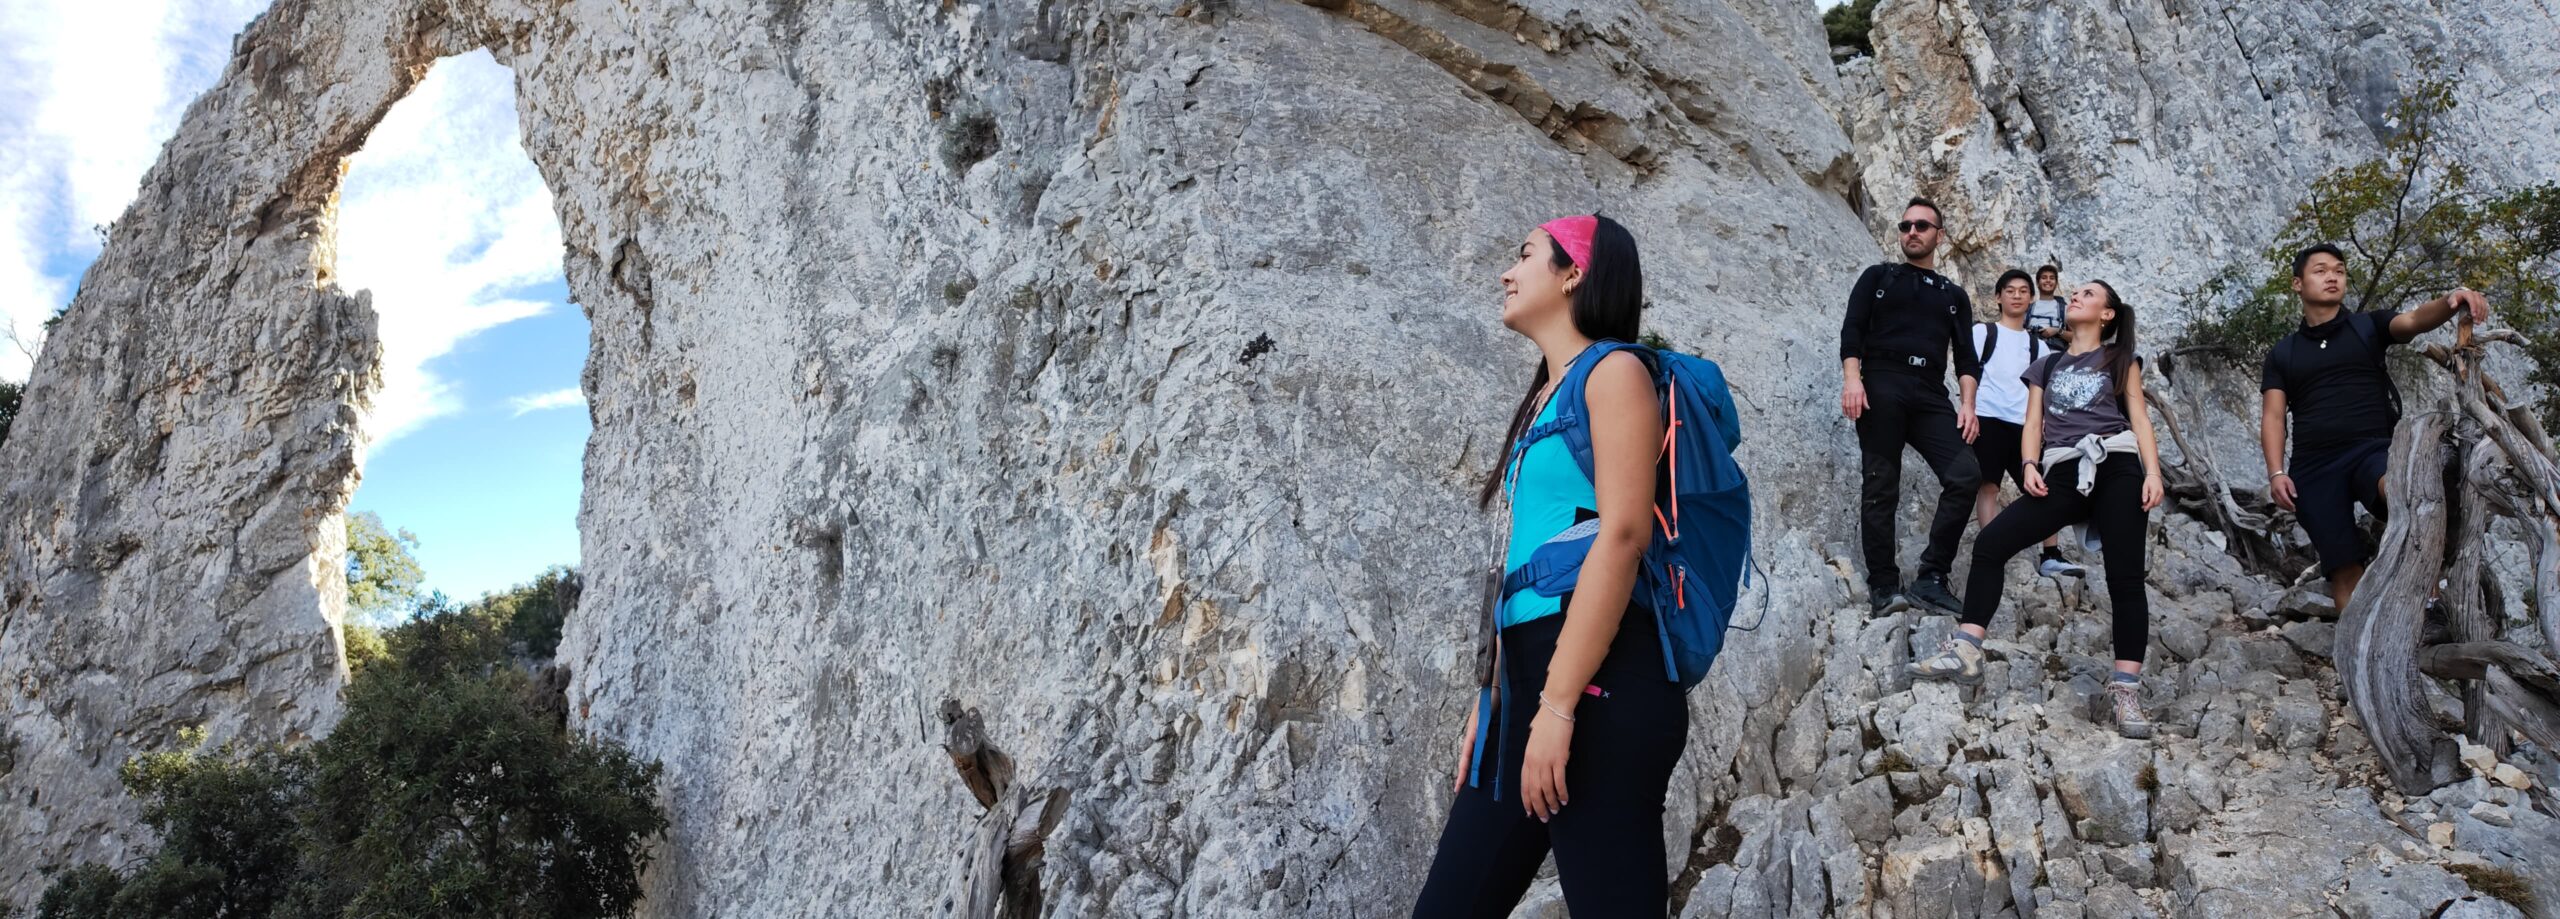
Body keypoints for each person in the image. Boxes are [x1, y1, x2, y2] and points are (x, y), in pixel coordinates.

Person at [1415, 215, 1688, 917]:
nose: (1509, 272)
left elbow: (1622, 535)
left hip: (1599, 681)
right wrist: (1497, 696)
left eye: (1526, 254)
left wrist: (1559, 703)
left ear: (1574, 274)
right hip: (1527, 689)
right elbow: (1525, 561)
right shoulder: (1546, 395)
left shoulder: (1617, 371)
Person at [1911, 281, 2166, 740]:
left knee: (2124, 575)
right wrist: (2028, 463)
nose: (2076, 297)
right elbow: (2034, 423)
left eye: (2089, 295)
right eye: (2077, 293)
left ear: (2107, 315)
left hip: (2119, 466)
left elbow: (2140, 418)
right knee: (1990, 543)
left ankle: (2125, 690)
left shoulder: (2120, 360)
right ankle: (1968, 647)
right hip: (2063, 469)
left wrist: (2153, 473)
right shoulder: (2045, 364)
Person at [2261, 243, 2490, 612]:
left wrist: (2452, 299)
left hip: (2372, 449)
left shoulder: (2367, 326)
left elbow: (2414, 320)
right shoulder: (2283, 353)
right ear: (2297, 284)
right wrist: (2276, 472)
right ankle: (2353, 656)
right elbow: (2273, 416)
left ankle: (2428, 605)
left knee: (2405, 494)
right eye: (2320, 270)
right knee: (2344, 567)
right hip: (2314, 467)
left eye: (2339, 270)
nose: (2332, 276)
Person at [1841, 197, 1980, 616]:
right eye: (1905, 226)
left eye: (1921, 226)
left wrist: (1968, 404)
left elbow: (1967, 356)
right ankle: (1884, 584)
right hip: (1882, 382)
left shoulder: (1954, 295)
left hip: (1932, 393)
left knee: (1966, 474)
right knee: (1881, 484)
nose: (1912, 232)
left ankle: (1931, 577)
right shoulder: (1878, 277)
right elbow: (1853, 328)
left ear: (1939, 234)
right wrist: (1852, 379)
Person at [1972, 269, 2085, 579]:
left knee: (2042, 489)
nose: (2017, 295)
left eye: (2024, 291)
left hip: (2025, 423)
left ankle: (2051, 555)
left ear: (2032, 298)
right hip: (1988, 416)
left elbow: (2048, 389)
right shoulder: (1983, 333)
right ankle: (1991, 548)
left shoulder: (2040, 347)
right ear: (1998, 297)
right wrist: (1967, 408)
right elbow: (1967, 372)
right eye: (2010, 290)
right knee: (1989, 486)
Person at [2029, 261, 2066, 334]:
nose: (2048, 280)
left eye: (2052, 278)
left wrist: (2058, 331)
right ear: (2037, 283)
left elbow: (2076, 337)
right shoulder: (2028, 309)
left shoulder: (2064, 309)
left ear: (2056, 283)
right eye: (2044, 277)